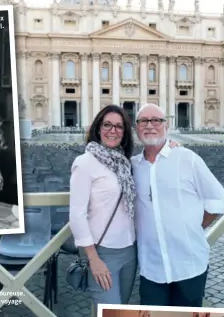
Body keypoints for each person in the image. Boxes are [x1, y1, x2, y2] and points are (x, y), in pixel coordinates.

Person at [132, 103, 224, 307]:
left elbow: (218, 199)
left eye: (156, 120)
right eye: (143, 121)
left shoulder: (187, 158)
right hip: (151, 268)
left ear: (166, 125)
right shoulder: (132, 166)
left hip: (189, 264)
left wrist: (195, 225)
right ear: (136, 128)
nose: (150, 125)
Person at [69, 104, 138, 310]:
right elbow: (77, 215)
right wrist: (93, 259)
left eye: (118, 126)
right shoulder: (84, 163)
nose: (112, 130)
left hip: (130, 251)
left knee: (122, 309)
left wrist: (171, 145)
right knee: (110, 312)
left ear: (124, 132)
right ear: (98, 128)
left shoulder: (126, 163)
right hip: (102, 253)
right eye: (107, 124)